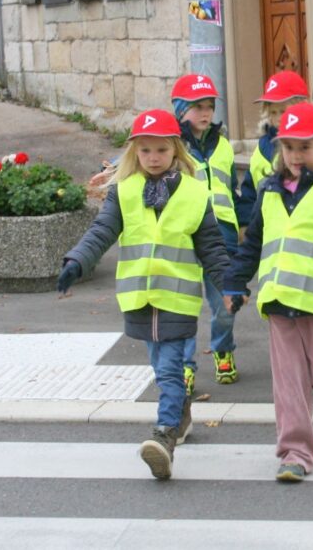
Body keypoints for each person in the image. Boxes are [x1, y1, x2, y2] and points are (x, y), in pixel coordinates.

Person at [58, 109, 228, 479]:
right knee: (160, 367)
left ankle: (164, 436)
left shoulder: (196, 194)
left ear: (176, 152)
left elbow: (212, 246)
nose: (153, 158)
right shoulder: (124, 191)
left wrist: (228, 285)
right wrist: (77, 261)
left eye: (161, 151)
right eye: (146, 151)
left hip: (178, 299)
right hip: (139, 298)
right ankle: (181, 416)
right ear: (135, 152)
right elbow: (101, 232)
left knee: (169, 369)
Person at [222, 101, 313, 483]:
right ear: (279, 149)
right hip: (280, 301)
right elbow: (253, 244)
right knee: (289, 385)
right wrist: (236, 281)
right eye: (289, 147)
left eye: (305, 147)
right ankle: (295, 453)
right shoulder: (268, 193)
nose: (296, 155)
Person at [168, 74, 243, 390]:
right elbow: (142, 156)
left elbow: (231, 189)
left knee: (224, 303)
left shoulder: (224, 144)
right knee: (183, 307)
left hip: (221, 235)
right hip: (184, 235)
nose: (205, 113)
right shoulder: (172, 145)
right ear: (181, 109)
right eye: (197, 106)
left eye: (209, 106)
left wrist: (241, 228)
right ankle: (185, 366)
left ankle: (222, 350)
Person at [236, 70, 311, 226]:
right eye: (273, 112)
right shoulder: (262, 146)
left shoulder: (310, 146)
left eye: (283, 111)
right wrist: (244, 224)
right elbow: (249, 190)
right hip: (264, 228)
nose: (277, 118)